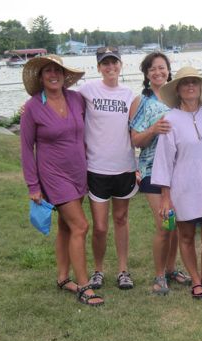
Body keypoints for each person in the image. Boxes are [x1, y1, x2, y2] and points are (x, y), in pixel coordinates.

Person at [20, 55, 103, 306]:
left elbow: (103, 112)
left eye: (57, 70)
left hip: (79, 172)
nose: (53, 74)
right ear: (41, 76)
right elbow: (26, 148)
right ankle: (84, 286)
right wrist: (33, 186)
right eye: (48, 71)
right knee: (80, 226)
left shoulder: (76, 99)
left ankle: (62, 278)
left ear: (64, 75)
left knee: (66, 227)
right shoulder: (33, 107)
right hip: (54, 175)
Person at [151, 67, 202, 300]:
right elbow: (164, 160)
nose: (190, 86)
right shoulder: (169, 120)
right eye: (185, 83)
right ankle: (195, 280)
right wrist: (165, 196)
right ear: (178, 90)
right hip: (183, 187)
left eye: (194, 82)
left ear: (201, 87)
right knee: (185, 236)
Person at [130, 52, 191, 295]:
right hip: (152, 171)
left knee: (174, 223)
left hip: (178, 168)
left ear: (168, 70)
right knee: (164, 224)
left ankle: (170, 269)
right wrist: (154, 129)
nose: (158, 72)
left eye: (162, 68)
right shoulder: (141, 102)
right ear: (146, 74)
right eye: (153, 69)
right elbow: (135, 140)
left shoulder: (177, 98)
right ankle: (158, 276)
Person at [77, 46, 138, 290]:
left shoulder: (130, 94)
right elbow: (60, 97)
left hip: (124, 166)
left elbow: (139, 126)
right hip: (97, 168)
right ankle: (98, 270)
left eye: (114, 63)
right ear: (99, 67)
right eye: (105, 63)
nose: (110, 67)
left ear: (121, 65)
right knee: (100, 226)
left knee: (121, 219)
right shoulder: (87, 90)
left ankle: (123, 270)